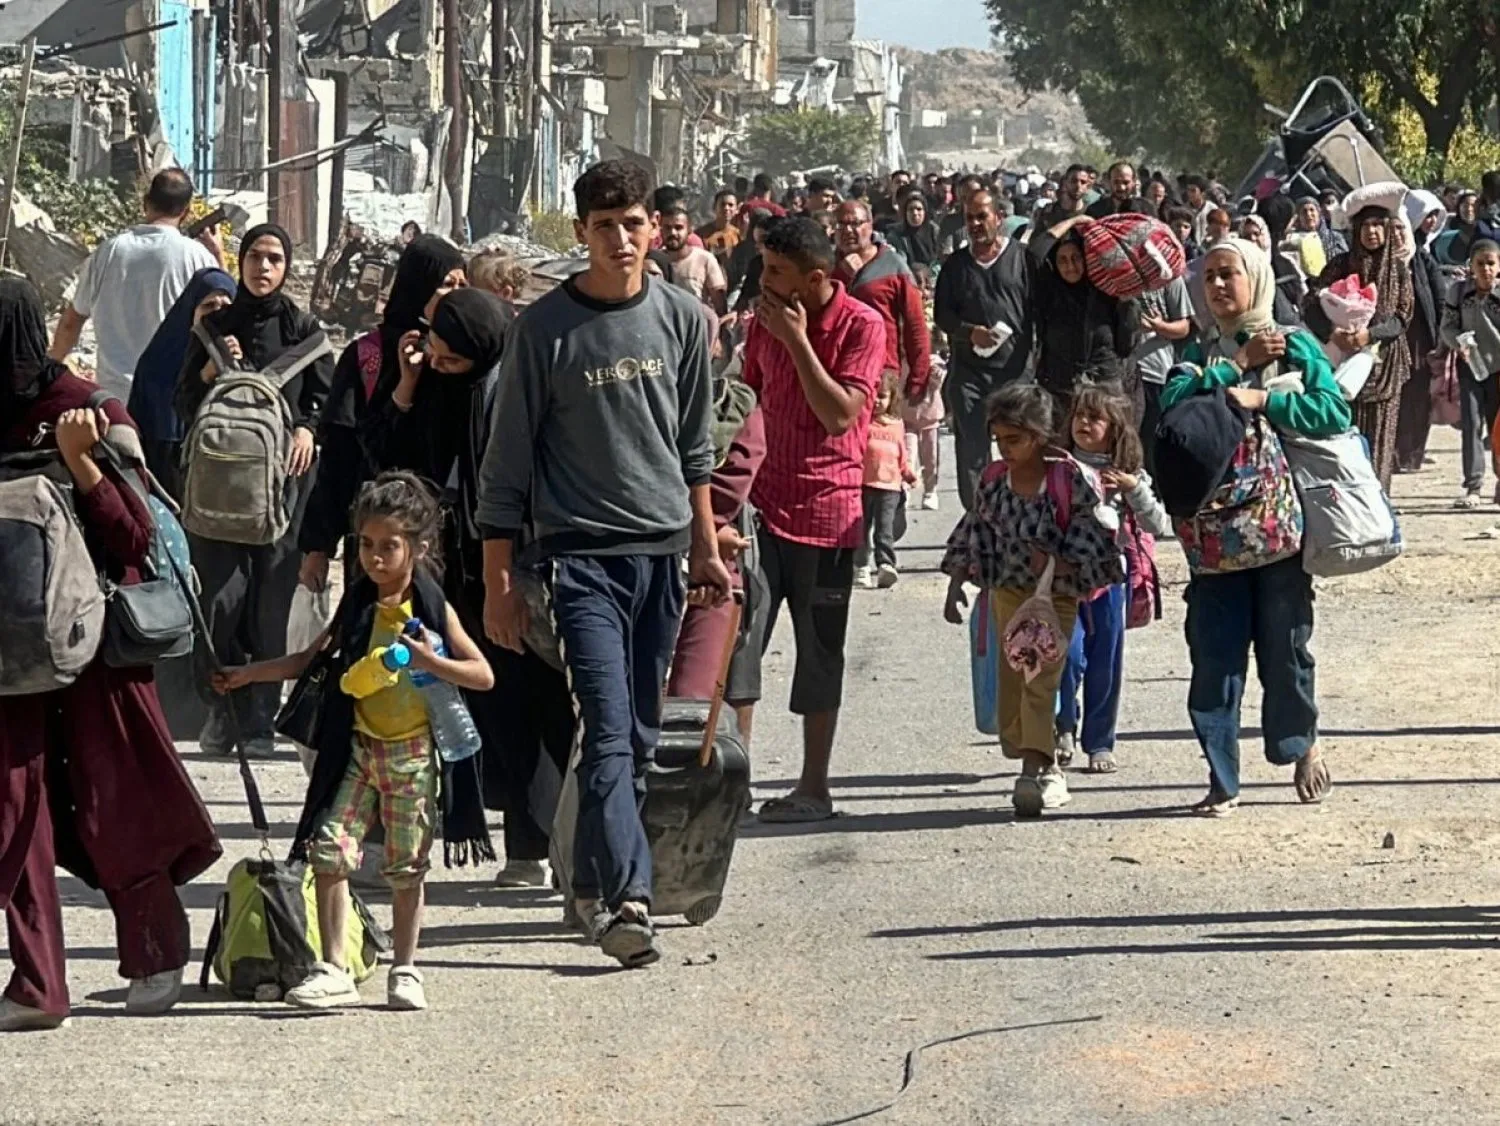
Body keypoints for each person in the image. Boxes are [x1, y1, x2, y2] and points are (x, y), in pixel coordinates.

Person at [478, 160, 730, 966]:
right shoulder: (544, 329)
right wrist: (499, 582)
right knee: (611, 729)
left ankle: (585, 879)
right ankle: (628, 897)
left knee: (642, 736)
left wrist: (707, 544)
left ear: (654, 229)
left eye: (633, 224)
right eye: (603, 227)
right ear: (581, 233)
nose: (620, 240)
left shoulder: (685, 320)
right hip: (577, 558)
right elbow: (505, 465)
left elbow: (694, 448)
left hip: (661, 554)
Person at [1, 280, 221, 1030]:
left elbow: (135, 539)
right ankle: (37, 985)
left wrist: (81, 462)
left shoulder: (87, 408)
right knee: (17, 814)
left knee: (118, 803)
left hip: (95, 651)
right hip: (10, 659)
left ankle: (156, 951)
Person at [216, 472, 495, 1011]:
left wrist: (429, 662)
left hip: (412, 755)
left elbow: (482, 675)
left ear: (418, 547)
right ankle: (333, 967)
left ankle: (406, 969)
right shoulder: (358, 607)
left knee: (405, 865)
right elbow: (309, 662)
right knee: (329, 850)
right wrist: (247, 675)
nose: (374, 558)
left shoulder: (431, 609)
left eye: (389, 546)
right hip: (358, 751)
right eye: (365, 545)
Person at [1158, 239, 1345, 816]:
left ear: (1255, 278)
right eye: (1208, 276)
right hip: (1211, 543)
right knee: (1214, 658)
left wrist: (1265, 399)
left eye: (1228, 274)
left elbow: (1333, 411)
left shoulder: (1291, 343)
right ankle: (1222, 778)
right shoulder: (1195, 353)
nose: (1217, 286)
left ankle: (1300, 744)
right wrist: (1232, 370)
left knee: (1286, 652)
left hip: (1276, 535)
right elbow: (1170, 412)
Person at [739, 217, 886, 824]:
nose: (764, 282)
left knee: (820, 653)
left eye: (777, 272)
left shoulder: (861, 326)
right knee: (738, 648)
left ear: (815, 279)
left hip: (829, 515)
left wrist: (799, 342)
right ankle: (731, 781)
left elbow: (838, 415)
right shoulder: (761, 326)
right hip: (763, 510)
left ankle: (813, 786)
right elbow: (746, 403)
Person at [176, 225, 334, 756]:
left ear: (286, 267)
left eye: (273, 259)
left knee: (269, 605)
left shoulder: (304, 331)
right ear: (239, 262)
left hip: (283, 495)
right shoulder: (214, 328)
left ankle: (262, 717)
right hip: (220, 494)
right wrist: (207, 368)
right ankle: (221, 711)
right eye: (253, 257)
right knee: (219, 604)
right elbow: (183, 404)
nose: (262, 268)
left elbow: (327, 402)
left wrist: (309, 428)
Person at [940, 384, 1123, 817]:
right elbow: (976, 530)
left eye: (1015, 439)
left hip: (1054, 599)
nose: (1005, 448)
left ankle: (1034, 770)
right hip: (1008, 594)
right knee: (1012, 686)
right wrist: (956, 584)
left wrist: (1061, 564)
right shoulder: (994, 480)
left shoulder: (1068, 478)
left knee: (1039, 681)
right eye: (999, 439)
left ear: (1040, 435)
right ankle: (1037, 761)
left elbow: (1095, 534)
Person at [299, 235, 467, 594]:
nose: (457, 294)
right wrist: (319, 545)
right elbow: (339, 457)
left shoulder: (465, 357)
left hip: (445, 540)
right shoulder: (367, 357)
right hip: (376, 538)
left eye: (462, 285)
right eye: (446, 284)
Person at [1054, 385, 1171, 774]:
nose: (1084, 423)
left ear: (1116, 429)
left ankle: (1100, 741)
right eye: (1079, 416)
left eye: (1095, 418)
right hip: (1064, 578)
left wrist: (1134, 491)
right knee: (1065, 656)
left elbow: (1159, 524)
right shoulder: (1058, 466)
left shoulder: (1129, 476)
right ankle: (1062, 724)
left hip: (1111, 580)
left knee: (1106, 660)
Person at [48, 168, 222, 399]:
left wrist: (50, 371)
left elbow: (72, 322)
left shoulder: (108, 252)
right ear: (187, 212)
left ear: (145, 203)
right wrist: (218, 254)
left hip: (115, 400)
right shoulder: (198, 257)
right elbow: (222, 311)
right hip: (171, 400)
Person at [666, 373, 768, 746]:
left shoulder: (731, 405)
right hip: (639, 573)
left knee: (687, 728)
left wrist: (705, 541)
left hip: (709, 584)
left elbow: (726, 491)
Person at [933, 190, 1035, 510]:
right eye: (970, 218)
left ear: (998, 218)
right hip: (969, 375)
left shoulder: (1023, 259)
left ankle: (1021, 513)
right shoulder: (955, 267)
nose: (976, 224)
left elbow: (1040, 312)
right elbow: (942, 316)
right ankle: (980, 518)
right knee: (972, 451)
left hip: (1015, 373)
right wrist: (969, 333)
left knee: (1020, 444)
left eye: (982, 216)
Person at [1306, 199, 1414, 491]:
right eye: (1365, 226)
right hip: (1342, 364)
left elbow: (1403, 317)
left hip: (1384, 368)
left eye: (1378, 225)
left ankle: (1378, 503)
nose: (1372, 232)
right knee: (1344, 439)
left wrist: (1371, 335)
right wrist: (1333, 332)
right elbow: (1312, 300)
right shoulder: (1340, 265)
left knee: (1379, 442)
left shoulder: (1399, 271)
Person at [125, 266, 236, 500]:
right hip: (170, 480)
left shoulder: (246, 353)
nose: (217, 313)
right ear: (191, 311)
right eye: (208, 306)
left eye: (226, 307)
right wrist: (205, 374)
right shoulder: (159, 361)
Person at [1029, 214, 1138, 415]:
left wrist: (1127, 304)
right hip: (1061, 388)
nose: (1070, 266)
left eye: (1076, 258)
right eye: (1062, 260)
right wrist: (1073, 221)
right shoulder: (1050, 292)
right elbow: (1034, 254)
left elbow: (1126, 344)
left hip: (1105, 386)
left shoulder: (1105, 291)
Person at [833, 199, 933, 412]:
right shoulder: (826, 266)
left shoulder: (893, 264)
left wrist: (918, 377)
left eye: (855, 224)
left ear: (870, 226)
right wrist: (842, 274)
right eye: (841, 224)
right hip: (836, 373)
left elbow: (915, 325)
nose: (848, 230)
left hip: (882, 377)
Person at [1440, 240, 1500, 508]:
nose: (1486, 269)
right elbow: (1448, 327)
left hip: (1499, 370)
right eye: (1480, 264)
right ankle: (1473, 486)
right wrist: (1458, 344)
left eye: (1491, 263)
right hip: (1471, 369)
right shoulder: (1458, 292)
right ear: (1471, 267)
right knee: (1472, 426)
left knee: (1498, 431)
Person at [1398, 191, 1451, 473]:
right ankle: (1400, 452)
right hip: (1401, 337)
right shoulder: (1403, 255)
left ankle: (1413, 453)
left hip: (1422, 338)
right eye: (1426, 215)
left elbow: (1439, 297)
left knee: (1419, 396)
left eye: (1434, 216)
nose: (1431, 221)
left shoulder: (1424, 256)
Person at [855, 370, 916, 589]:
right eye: (873, 396)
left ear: (892, 398)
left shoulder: (896, 425)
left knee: (884, 529)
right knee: (861, 529)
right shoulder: (863, 424)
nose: (877, 401)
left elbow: (901, 454)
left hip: (890, 486)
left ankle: (885, 565)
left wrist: (908, 473)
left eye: (882, 396)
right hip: (863, 484)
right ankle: (861, 567)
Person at [1132, 270, 1194, 479]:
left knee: (1151, 445)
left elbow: (1183, 327)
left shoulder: (1169, 275)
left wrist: (1159, 326)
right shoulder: (1111, 274)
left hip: (1156, 372)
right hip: (1122, 373)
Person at [660, 203, 729, 312]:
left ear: (689, 230)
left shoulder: (704, 259)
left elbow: (719, 302)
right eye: (667, 228)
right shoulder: (654, 261)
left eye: (678, 228)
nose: (672, 233)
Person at [889, 192, 942, 274]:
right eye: (910, 209)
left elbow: (941, 257)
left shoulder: (934, 230)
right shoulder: (896, 235)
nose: (915, 213)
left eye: (919, 209)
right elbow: (897, 263)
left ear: (925, 212)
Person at [1086, 161, 1152, 218]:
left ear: (1133, 182)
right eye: (1116, 182)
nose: (1121, 187)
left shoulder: (1146, 208)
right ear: (1109, 182)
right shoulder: (1095, 210)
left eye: (1126, 182)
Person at [1035, 164, 1092, 229]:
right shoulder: (1047, 212)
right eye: (1074, 181)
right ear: (1065, 183)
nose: (1078, 186)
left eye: (1083, 182)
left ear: (1088, 187)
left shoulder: (1091, 213)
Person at [698, 189, 742, 265]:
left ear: (737, 210)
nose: (726, 208)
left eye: (730, 205)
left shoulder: (738, 234)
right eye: (722, 204)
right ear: (714, 207)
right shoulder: (702, 234)